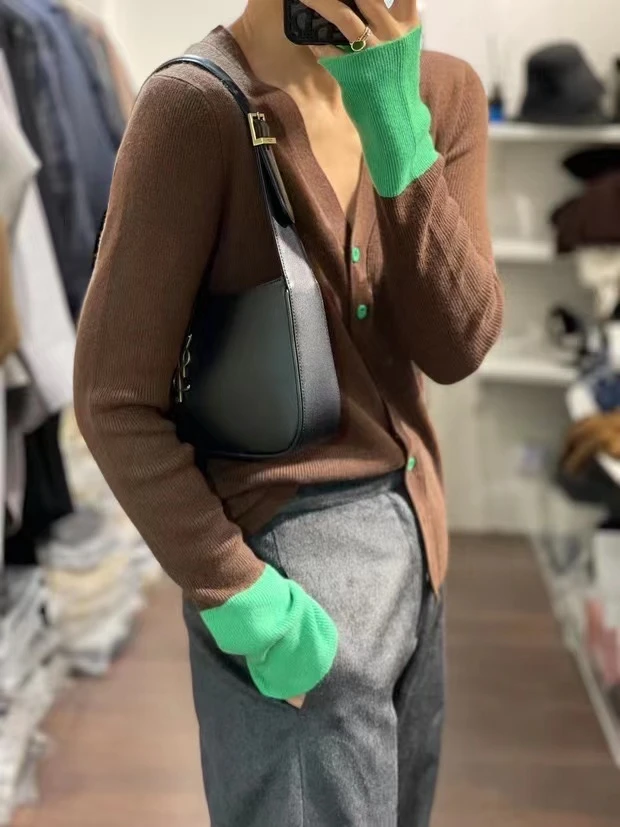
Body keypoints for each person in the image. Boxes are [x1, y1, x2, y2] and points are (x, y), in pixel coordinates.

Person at [73, 0, 503, 824]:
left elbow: (459, 345)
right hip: (287, 586)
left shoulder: (441, 94)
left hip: (422, 549)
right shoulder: (195, 110)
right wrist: (242, 596)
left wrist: (393, 120)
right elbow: (112, 397)